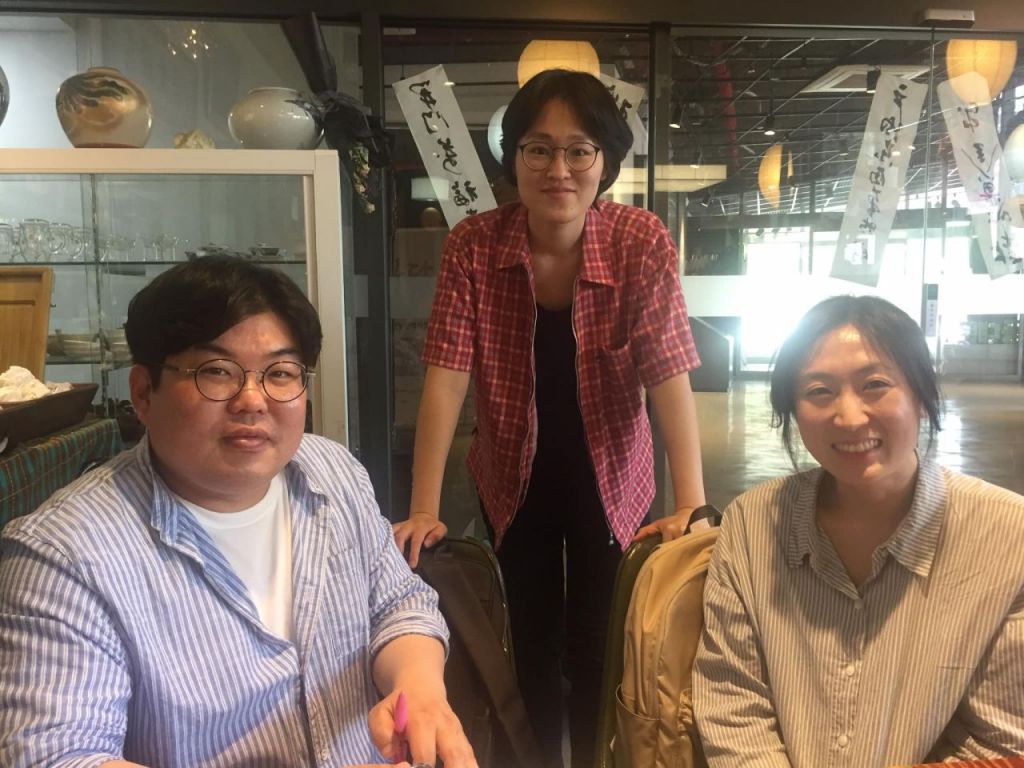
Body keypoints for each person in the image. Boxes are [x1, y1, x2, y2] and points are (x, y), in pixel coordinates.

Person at [0, 256, 477, 768]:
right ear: (143, 393)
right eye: (216, 372)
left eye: (281, 373)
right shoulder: (62, 558)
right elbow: (60, 756)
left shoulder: (331, 472)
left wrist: (419, 689)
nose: (252, 400)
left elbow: (396, 604)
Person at [392, 69, 707, 768]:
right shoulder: (473, 244)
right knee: (527, 636)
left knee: (602, 636)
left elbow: (668, 371)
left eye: (578, 150)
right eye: (538, 149)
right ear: (514, 158)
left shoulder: (640, 239)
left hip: (611, 473)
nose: (558, 170)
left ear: (605, 162)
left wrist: (691, 503)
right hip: (513, 470)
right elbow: (446, 376)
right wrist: (423, 508)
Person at [693, 295, 1024, 767]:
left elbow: (1002, 741)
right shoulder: (752, 524)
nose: (849, 418)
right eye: (819, 391)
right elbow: (732, 703)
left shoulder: (1009, 537)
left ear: (921, 396)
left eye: (875, 385)